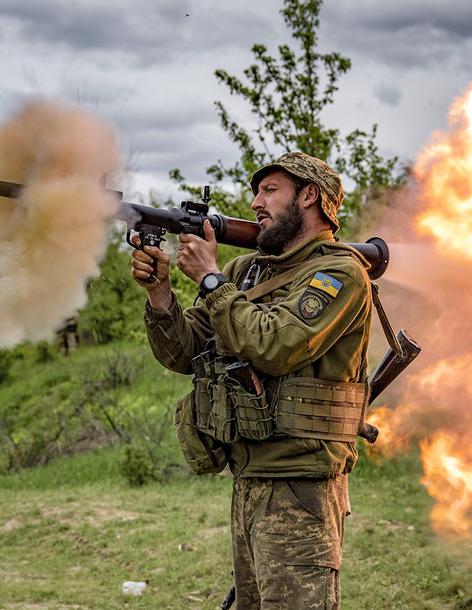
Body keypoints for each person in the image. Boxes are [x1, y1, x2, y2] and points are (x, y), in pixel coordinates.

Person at [131, 152, 373, 610]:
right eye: (257, 191)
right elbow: (185, 353)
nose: (256, 202)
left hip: (301, 484)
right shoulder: (248, 271)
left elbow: (276, 346)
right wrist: (160, 294)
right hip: (248, 476)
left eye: (270, 190)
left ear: (309, 196)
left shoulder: (340, 274)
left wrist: (208, 278)